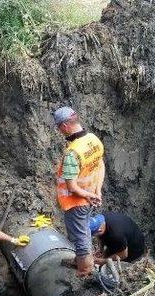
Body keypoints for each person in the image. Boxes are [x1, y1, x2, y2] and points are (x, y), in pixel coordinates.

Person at [53, 106, 105, 277]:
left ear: (64, 127)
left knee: (80, 236)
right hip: (90, 197)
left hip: (76, 202)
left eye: (59, 128)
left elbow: (71, 187)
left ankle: (85, 270)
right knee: (82, 229)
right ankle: (79, 259)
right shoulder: (93, 140)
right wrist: (96, 192)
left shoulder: (72, 152)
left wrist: (89, 195)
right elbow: (100, 165)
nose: (60, 131)